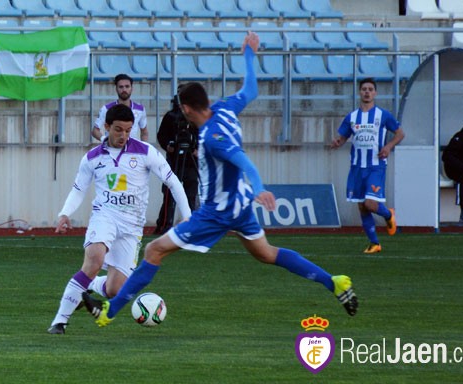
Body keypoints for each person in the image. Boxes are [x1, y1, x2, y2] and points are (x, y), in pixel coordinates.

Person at [80, 32, 359, 329]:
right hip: (241, 206)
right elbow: (251, 89)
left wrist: (260, 187)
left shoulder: (212, 137)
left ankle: (109, 311)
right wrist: (250, 54)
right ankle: (335, 282)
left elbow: (241, 159)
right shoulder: (226, 107)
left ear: (186, 109)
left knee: (153, 250)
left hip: (218, 212)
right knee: (267, 253)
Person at [47, 104, 191, 334]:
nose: (123, 135)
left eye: (128, 130)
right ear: (106, 127)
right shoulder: (92, 157)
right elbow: (78, 189)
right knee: (94, 260)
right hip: (105, 216)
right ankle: (59, 322)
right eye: (118, 130)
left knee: (115, 289)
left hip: (132, 226)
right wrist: (64, 213)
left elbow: (173, 181)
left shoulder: (145, 152)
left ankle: (89, 286)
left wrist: (188, 216)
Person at [331, 78, 405, 254]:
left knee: (370, 204)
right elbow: (343, 137)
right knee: (362, 206)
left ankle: (388, 215)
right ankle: (374, 243)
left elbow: (400, 133)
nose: (367, 92)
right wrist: (337, 142)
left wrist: (388, 147)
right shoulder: (352, 117)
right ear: (360, 92)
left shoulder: (383, 115)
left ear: (375, 93)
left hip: (376, 166)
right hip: (357, 167)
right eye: (364, 89)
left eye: (370, 89)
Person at [154, 91, 199, 234]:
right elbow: (161, 135)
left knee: (191, 194)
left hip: (192, 162)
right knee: (169, 193)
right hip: (174, 162)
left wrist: (197, 148)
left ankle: (192, 225)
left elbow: (204, 136)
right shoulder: (170, 116)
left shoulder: (196, 117)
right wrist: (168, 146)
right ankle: (164, 225)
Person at [91, 74, 148, 143]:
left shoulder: (140, 109)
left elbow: (144, 132)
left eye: (127, 86)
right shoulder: (106, 108)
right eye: (121, 87)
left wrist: (143, 147)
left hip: (131, 150)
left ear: (132, 88)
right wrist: (104, 140)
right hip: (112, 148)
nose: (124, 90)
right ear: (116, 89)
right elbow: (95, 131)